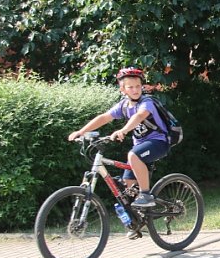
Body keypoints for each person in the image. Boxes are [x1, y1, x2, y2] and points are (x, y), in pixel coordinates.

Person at [68, 67, 171, 238]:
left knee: (132, 155)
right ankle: (136, 223)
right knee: (127, 186)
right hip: (140, 147)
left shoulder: (147, 102)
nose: (135, 90)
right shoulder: (123, 105)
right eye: (130, 87)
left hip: (158, 142)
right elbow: (104, 117)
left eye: (138, 86)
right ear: (122, 89)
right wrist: (80, 132)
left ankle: (146, 194)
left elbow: (139, 116)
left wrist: (123, 130)